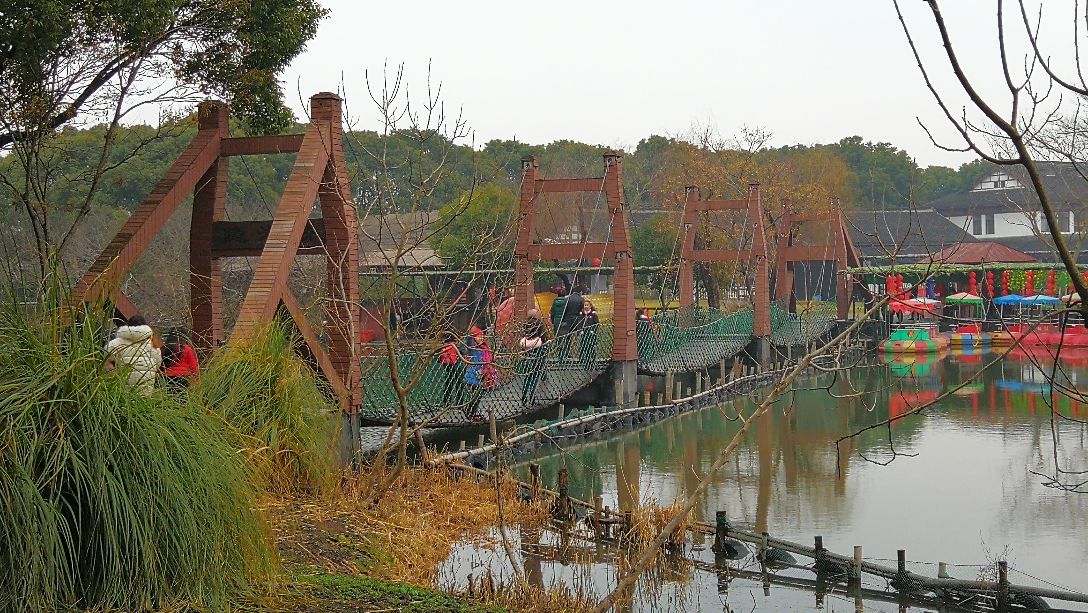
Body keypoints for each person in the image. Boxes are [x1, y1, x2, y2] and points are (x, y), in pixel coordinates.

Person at [104, 314, 162, 395]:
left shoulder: (116, 343)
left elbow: (106, 360)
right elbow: (157, 364)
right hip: (146, 386)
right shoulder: (154, 345)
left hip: (122, 387)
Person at [462, 326, 496, 419]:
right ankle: (470, 414)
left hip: (481, 375)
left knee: (477, 396)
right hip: (473, 375)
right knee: (475, 396)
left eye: (482, 336)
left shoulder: (485, 348)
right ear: (474, 338)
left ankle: (472, 413)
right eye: (478, 336)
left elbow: (488, 360)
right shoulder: (472, 348)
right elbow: (468, 341)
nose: (481, 338)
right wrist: (472, 332)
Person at [517, 309, 549, 406]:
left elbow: (524, 335)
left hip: (527, 350)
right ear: (536, 315)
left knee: (528, 375)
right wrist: (546, 342)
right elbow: (543, 336)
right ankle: (532, 398)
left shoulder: (525, 324)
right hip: (537, 349)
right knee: (535, 375)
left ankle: (524, 397)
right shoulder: (539, 323)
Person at [577, 299, 600, 367]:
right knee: (584, 347)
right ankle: (585, 361)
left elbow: (597, 323)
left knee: (591, 347)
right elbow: (579, 324)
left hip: (591, 334)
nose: (586, 307)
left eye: (587, 305)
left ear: (590, 306)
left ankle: (592, 361)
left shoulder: (593, 314)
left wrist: (593, 330)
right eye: (585, 305)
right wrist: (580, 330)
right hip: (584, 333)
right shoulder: (581, 314)